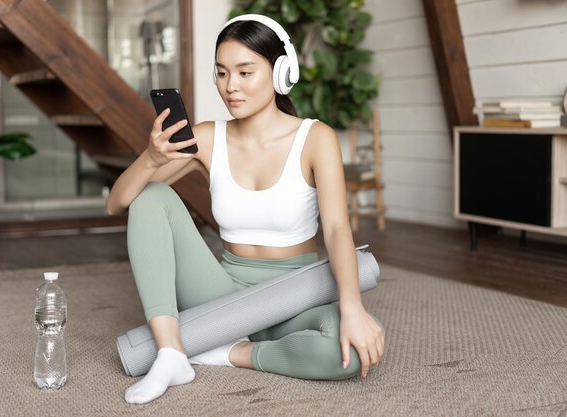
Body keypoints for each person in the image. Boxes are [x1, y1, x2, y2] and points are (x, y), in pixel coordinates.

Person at [106, 14, 385, 405]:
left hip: (293, 297)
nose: (230, 86)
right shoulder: (206, 137)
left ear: (281, 72)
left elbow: (338, 229)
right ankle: (171, 352)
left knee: (353, 350)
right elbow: (117, 202)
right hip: (222, 296)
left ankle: (220, 351)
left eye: (244, 72)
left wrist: (352, 307)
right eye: (221, 73)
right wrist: (151, 158)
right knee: (151, 196)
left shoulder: (315, 138)